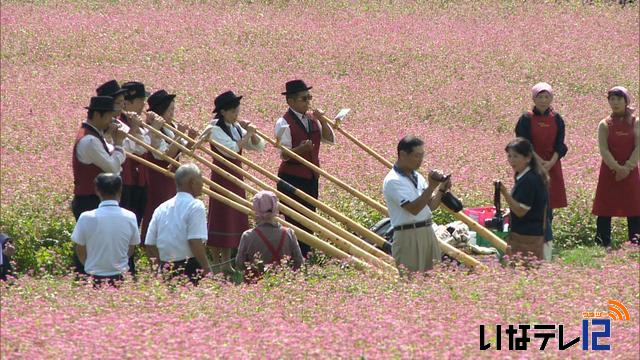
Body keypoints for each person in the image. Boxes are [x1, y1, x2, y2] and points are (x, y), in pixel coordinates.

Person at [197, 91, 265, 271]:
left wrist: (253, 134)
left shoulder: (234, 127)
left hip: (236, 176)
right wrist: (247, 134)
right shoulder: (214, 129)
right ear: (223, 112)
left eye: (238, 111)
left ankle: (227, 263)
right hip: (221, 176)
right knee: (221, 216)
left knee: (234, 216)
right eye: (234, 112)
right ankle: (217, 262)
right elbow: (232, 150)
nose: (237, 115)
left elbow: (257, 147)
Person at [274, 80, 335, 257]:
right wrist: (300, 150)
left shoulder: (312, 119)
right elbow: (284, 154)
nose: (308, 102)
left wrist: (323, 120)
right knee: (294, 221)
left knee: (310, 219)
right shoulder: (283, 122)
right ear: (290, 102)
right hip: (292, 177)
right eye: (303, 99)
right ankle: (294, 257)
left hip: (311, 176)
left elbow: (329, 139)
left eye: (309, 97)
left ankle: (307, 256)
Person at [515, 82, 568, 260]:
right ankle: (533, 243)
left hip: (551, 166)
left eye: (547, 97)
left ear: (551, 98)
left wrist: (550, 162)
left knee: (549, 204)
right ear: (533, 98)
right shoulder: (526, 118)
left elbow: (561, 145)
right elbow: (524, 143)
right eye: (540, 97)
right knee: (533, 204)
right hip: (530, 166)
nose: (543, 100)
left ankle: (546, 241)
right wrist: (538, 162)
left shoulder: (557, 118)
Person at [382, 136, 450, 272]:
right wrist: (431, 187)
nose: (420, 160)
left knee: (434, 279)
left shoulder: (417, 177)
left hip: (427, 231)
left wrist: (441, 189)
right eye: (416, 156)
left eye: (422, 156)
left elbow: (430, 206)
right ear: (402, 154)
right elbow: (413, 209)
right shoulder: (393, 180)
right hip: (408, 235)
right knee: (412, 281)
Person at [145, 164, 211, 284]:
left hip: (166, 267)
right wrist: (207, 269)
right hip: (190, 267)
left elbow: (149, 243)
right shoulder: (196, 206)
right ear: (192, 182)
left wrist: (157, 271)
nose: (203, 183)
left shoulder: (161, 208)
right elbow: (194, 241)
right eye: (201, 178)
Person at [592, 86, 640, 249]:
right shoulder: (604, 124)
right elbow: (603, 149)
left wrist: (627, 167)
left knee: (634, 205)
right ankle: (602, 241)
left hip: (631, 171)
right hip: (609, 171)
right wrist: (616, 168)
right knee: (605, 206)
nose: (615, 102)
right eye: (612, 99)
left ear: (626, 101)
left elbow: (638, 147)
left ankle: (636, 241)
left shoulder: (636, 122)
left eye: (619, 99)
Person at [71, 173, 140, 286]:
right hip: (121, 276)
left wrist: (90, 265)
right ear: (120, 190)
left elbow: (80, 249)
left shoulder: (86, 217)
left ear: (97, 190)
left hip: (93, 277)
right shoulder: (130, 216)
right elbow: (130, 249)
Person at [71, 96, 126, 219]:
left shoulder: (94, 136)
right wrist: (119, 143)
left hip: (94, 199)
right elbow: (112, 168)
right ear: (97, 114)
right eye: (108, 116)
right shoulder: (90, 140)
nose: (111, 121)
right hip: (90, 200)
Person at [140, 89, 183, 242]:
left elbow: (183, 149)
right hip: (159, 175)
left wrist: (189, 137)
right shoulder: (153, 129)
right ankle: (154, 244)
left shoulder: (171, 126)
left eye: (173, 109)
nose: (173, 113)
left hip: (173, 174)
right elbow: (166, 155)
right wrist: (179, 137)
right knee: (159, 206)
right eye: (170, 109)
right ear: (161, 110)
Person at [498, 138, 549, 261]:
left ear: (528, 158)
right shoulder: (528, 176)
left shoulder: (529, 180)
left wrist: (504, 193)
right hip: (531, 234)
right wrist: (510, 211)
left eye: (515, 156)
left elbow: (521, 211)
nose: (511, 160)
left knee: (525, 272)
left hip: (527, 237)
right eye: (509, 156)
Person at [236, 191, 303, 281]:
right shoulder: (288, 233)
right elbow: (299, 261)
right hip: (284, 283)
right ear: (275, 208)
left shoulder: (247, 236)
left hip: (256, 287)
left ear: (256, 210)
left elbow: (239, 264)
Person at [118, 81, 152, 226]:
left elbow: (146, 146)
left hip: (141, 180)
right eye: (140, 101)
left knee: (136, 221)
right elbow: (128, 148)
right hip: (126, 181)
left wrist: (145, 127)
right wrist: (133, 129)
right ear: (126, 103)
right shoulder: (118, 123)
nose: (143, 106)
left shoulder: (139, 124)